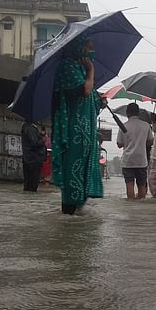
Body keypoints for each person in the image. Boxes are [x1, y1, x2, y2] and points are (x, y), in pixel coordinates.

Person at [51, 35, 105, 215]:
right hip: (73, 130)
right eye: (88, 47)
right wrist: (91, 70)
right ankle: (68, 213)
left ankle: (75, 214)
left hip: (86, 132)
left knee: (82, 171)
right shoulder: (67, 66)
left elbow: (90, 100)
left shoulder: (79, 68)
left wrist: (100, 100)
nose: (92, 51)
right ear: (78, 47)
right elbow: (84, 90)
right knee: (72, 169)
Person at [117, 103, 154, 199]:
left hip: (128, 162)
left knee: (130, 186)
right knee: (142, 187)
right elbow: (150, 141)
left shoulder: (123, 126)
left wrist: (127, 141)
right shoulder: (146, 126)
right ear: (138, 113)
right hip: (141, 161)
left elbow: (119, 144)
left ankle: (131, 208)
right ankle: (140, 209)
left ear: (127, 113)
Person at [21, 120, 46, 192]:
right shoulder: (30, 129)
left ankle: (27, 201)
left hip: (29, 159)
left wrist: (40, 135)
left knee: (28, 185)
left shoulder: (28, 128)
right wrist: (43, 140)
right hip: (33, 160)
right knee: (32, 186)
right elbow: (35, 143)